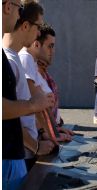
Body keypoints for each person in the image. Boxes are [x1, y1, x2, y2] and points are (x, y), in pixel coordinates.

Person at [2, 0, 53, 189]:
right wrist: (37, 146)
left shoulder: (11, 58)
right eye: (38, 26)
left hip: (18, 156)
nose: (39, 33)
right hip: (11, 158)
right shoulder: (12, 60)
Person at [20, 23, 74, 144]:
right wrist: (50, 134)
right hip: (31, 140)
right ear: (36, 44)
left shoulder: (31, 61)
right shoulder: (25, 58)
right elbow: (38, 104)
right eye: (50, 46)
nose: (53, 51)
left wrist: (54, 130)